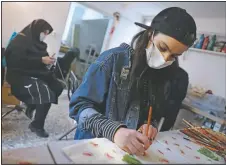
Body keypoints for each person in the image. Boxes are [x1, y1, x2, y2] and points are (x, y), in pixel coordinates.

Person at [69, 7, 196, 155]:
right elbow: (78, 107)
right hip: (92, 148)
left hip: (125, 153)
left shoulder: (162, 75)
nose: (165, 59)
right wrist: (115, 131)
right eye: (162, 47)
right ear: (150, 33)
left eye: (174, 56)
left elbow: (150, 113)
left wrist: (149, 125)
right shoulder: (112, 60)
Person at [5, 19, 64, 138]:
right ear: (37, 30)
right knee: (45, 93)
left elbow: (41, 60)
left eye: (47, 33)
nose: (45, 36)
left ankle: (31, 105)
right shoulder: (19, 41)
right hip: (19, 75)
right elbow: (16, 61)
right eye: (44, 32)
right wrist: (41, 60)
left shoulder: (40, 44)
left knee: (57, 86)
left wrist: (47, 62)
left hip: (34, 73)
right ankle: (36, 125)